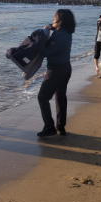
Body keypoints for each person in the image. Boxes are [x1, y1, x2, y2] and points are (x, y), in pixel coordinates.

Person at [37, 9, 76, 137]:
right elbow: (55, 28)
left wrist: (37, 44)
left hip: (56, 70)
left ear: (61, 21)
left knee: (42, 97)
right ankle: (61, 126)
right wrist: (49, 27)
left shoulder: (60, 37)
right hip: (65, 68)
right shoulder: (65, 32)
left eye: (55, 18)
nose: (53, 20)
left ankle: (49, 127)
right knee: (60, 96)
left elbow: (46, 52)